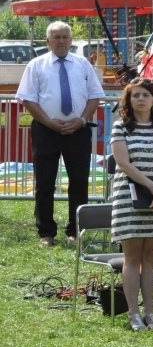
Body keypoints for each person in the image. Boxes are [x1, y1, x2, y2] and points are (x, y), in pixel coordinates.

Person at [16, 21, 105, 247]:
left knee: (79, 182)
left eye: (66, 36)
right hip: (46, 130)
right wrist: (49, 122)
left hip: (79, 130)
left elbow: (95, 95)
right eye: (56, 37)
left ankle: (75, 231)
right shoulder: (36, 65)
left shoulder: (83, 64)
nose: (62, 41)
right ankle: (46, 233)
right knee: (44, 183)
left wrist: (82, 120)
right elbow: (28, 99)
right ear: (47, 41)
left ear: (71, 40)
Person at [109, 78, 153, 331]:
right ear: (128, 100)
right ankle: (133, 315)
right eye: (135, 95)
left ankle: (150, 313)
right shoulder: (120, 128)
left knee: (151, 257)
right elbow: (124, 164)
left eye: (145, 95)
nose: (140, 99)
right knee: (132, 257)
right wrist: (152, 187)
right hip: (130, 198)